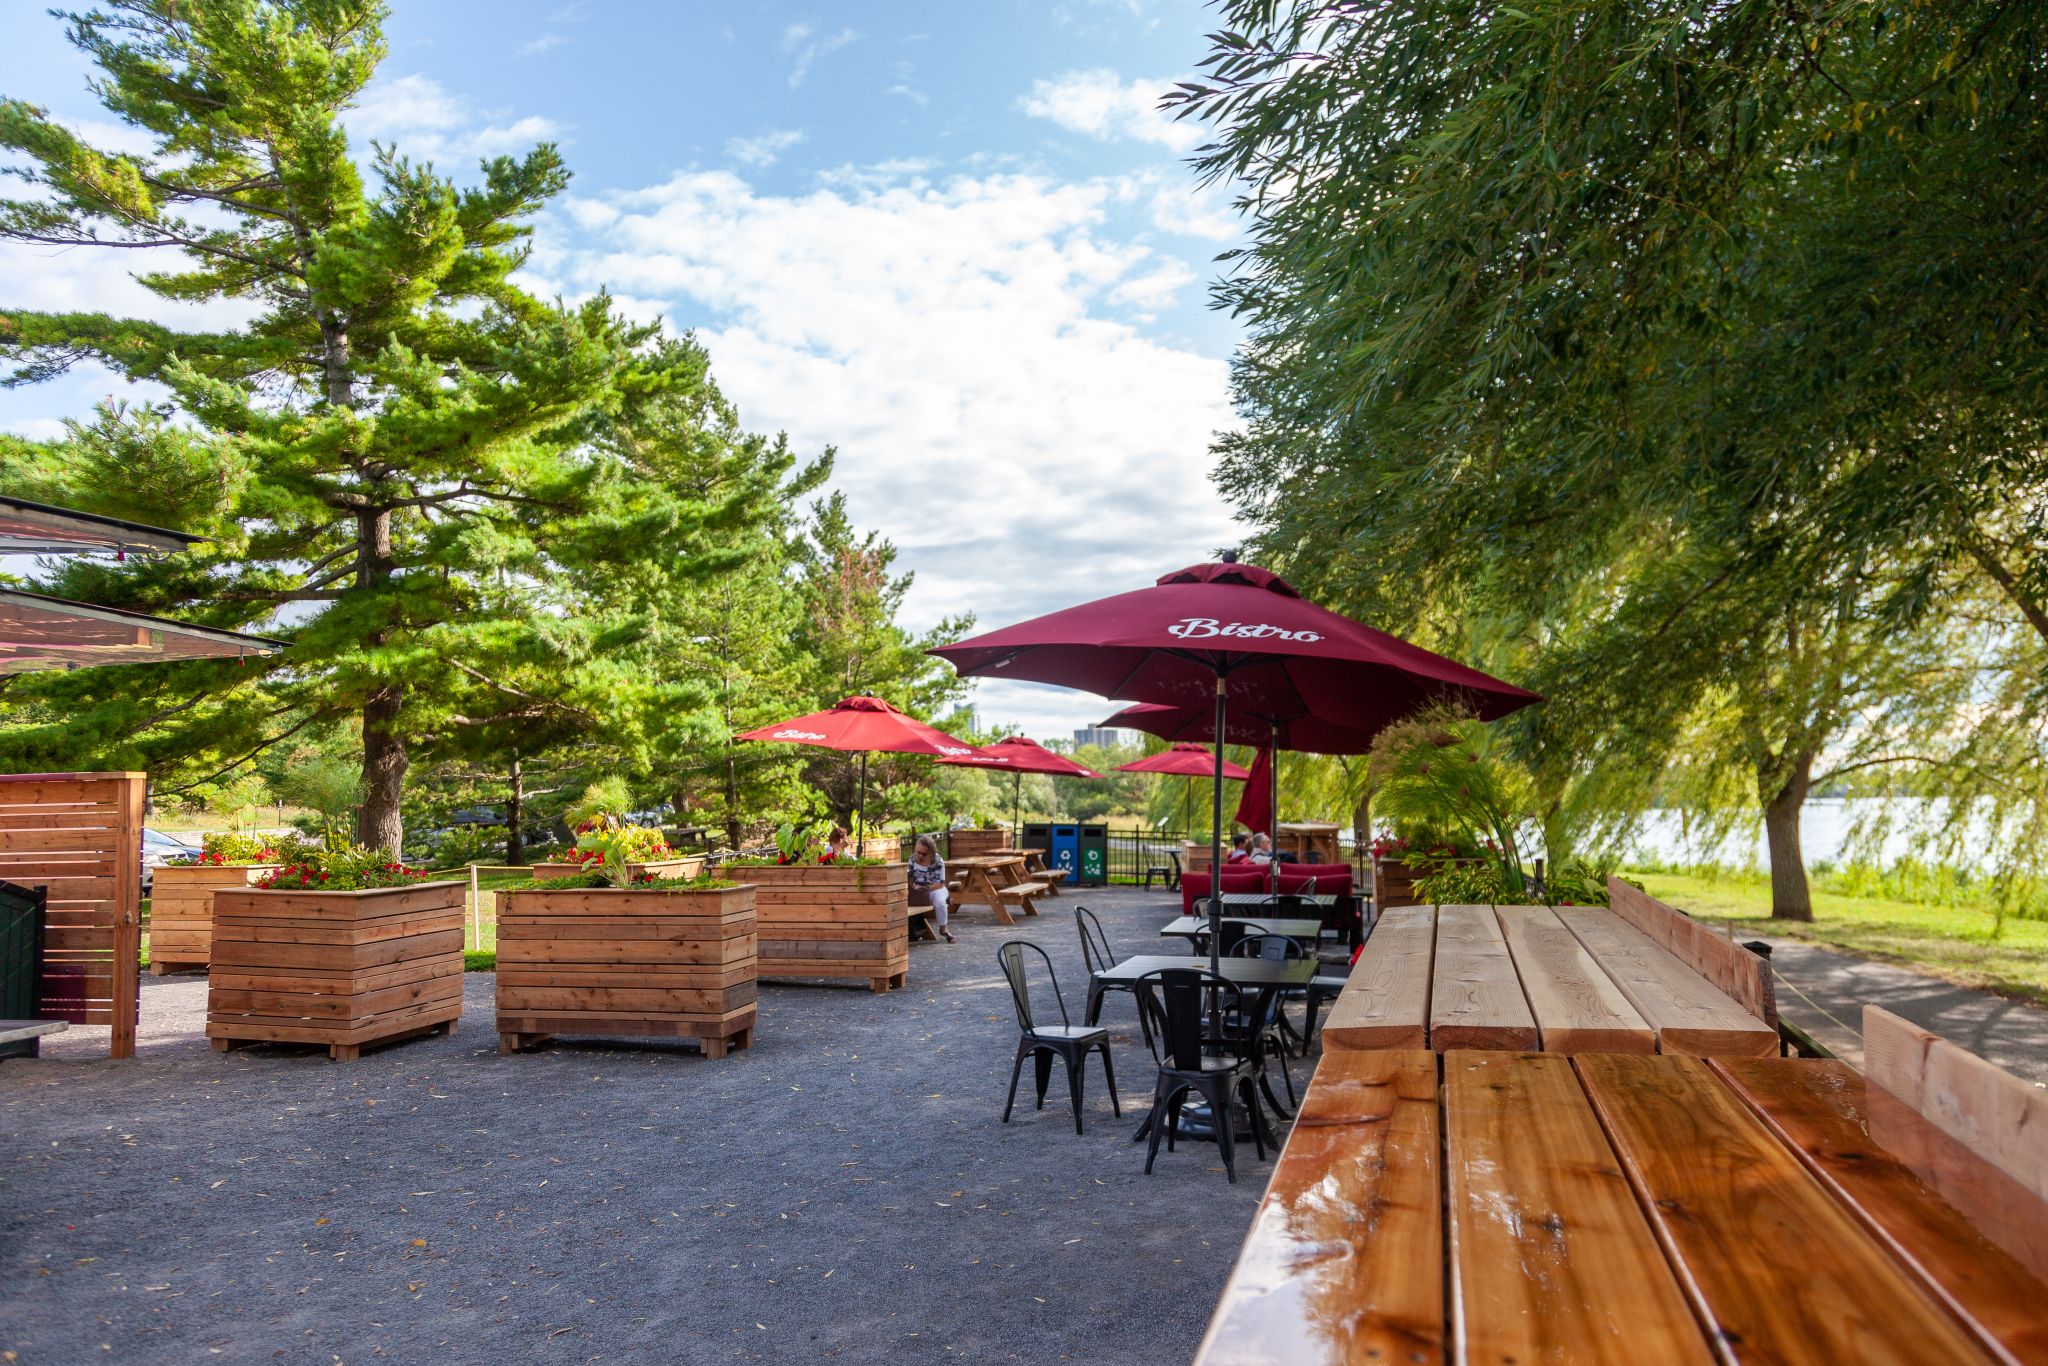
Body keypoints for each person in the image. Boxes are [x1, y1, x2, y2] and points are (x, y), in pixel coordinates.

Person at [909, 834, 953, 943]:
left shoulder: (938, 861)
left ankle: (943, 929)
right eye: (918, 852)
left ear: (931, 853)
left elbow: (940, 884)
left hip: (934, 889)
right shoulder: (913, 858)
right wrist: (912, 886)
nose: (920, 856)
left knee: (939, 902)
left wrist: (923, 888)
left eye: (924, 854)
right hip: (916, 889)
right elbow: (909, 877)